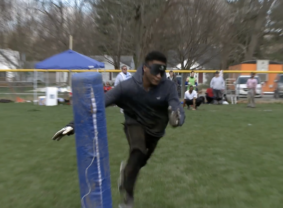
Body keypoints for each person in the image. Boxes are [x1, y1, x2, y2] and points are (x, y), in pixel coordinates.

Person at [51, 51, 185, 208]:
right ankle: (128, 198)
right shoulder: (127, 87)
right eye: (156, 71)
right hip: (134, 123)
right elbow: (98, 104)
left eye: (162, 72)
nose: (159, 76)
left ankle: (126, 173)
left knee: (138, 163)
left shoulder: (168, 86)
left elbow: (177, 107)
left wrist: (177, 118)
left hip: (155, 132)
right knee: (138, 151)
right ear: (145, 68)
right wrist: (73, 125)